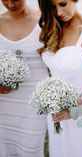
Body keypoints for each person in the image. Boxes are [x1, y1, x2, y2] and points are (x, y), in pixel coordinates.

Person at [37, 0, 82, 156]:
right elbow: (53, 72)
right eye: (52, 7)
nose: (59, 12)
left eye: (63, 4)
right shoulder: (53, 26)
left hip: (81, 111)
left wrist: (73, 109)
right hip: (56, 112)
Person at [0, 0, 48, 156]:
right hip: (3, 106)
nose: (10, 3)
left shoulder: (46, 20)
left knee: (30, 150)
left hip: (33, 107)